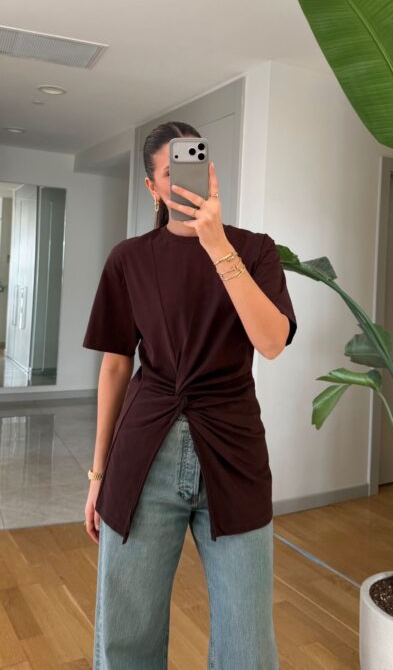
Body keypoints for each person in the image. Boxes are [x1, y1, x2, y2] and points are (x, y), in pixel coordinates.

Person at [82, 121, 297, 669]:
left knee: (248, 647)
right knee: (126, 636)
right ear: (152, 188)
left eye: (195, 167)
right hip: (143, 455)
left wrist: (217, 244)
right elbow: (115, 366)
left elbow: (272, 341)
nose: (184, 182)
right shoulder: (128, 259)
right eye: (169, 173)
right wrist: (98, 475)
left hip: (234, 452)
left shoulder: (255, 250)